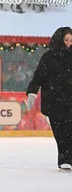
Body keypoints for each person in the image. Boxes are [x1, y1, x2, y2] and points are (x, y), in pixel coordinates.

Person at [26, 27, 72, 171]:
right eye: (66, 40)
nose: (69, 43)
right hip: (54, 101)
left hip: (70, 101)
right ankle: (65, 158)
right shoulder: (49, 57)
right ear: (59, 39)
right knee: (60, 132)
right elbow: (39, 75)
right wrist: (32, 92)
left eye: (71, 40)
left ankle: (68, 158)